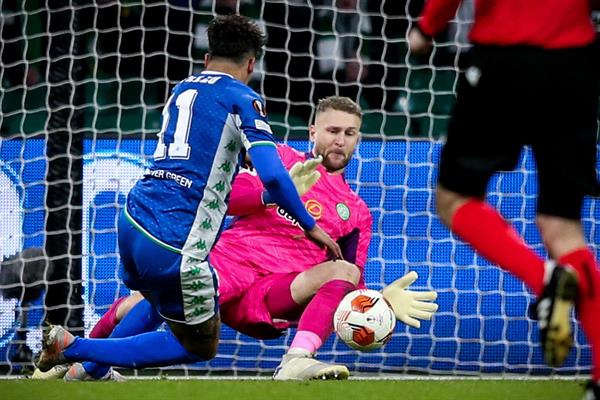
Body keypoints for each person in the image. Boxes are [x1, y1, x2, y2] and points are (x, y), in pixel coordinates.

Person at [34, 96, 438, 381]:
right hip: (229, 263)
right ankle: (86, 365)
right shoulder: (278, 159)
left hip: (269, 294)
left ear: (358, 138)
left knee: (343, 269)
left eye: (350, 133)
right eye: (332, 130)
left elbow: (349, 285)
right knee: (153, 300)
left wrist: (379, 301)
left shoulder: (357, 211)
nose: (340, 140)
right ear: (313, 129)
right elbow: (227, 200)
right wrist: (273, 189)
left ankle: (297, 359)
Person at [35, 14, 343, 374]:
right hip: (174, 236)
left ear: (206, 59)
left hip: (133, 218)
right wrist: (311, 226)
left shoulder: (183, 89)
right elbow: (273, 176)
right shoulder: (243, 98)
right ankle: (73, 348)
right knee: (199, 343)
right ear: (251, 64)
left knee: (154, 300)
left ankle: (85, 370)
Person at [409, 0, 600, 397]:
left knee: (453, 198)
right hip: (574, 68)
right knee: (564, 228)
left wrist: (427, 27)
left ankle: (543, 279)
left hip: (503, 62)